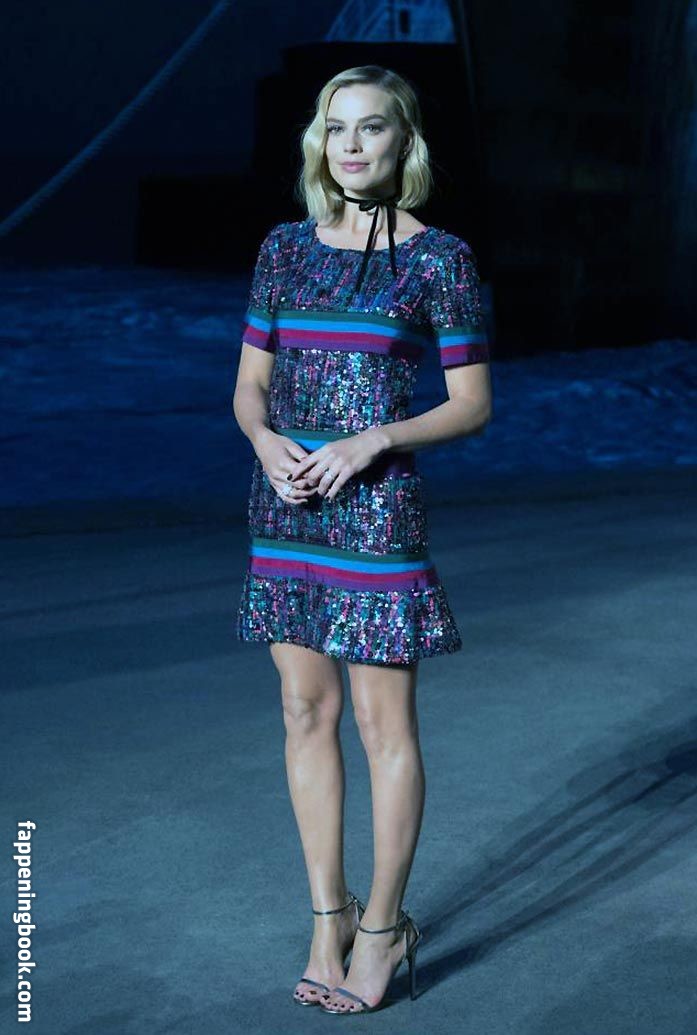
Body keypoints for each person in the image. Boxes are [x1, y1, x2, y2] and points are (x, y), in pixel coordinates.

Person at [232, 64, 493, 1015]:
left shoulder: (440, 260)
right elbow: (249, 387)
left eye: (371, 127)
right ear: (319, 141)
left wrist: (372, 439)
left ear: (403, 142)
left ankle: (383, 926)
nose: (350, 144)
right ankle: (326, 918)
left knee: (384, 727)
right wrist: (265, 444)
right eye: (335, 127)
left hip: (376, 515)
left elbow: (470, 404)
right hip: (285, 509)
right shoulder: (283, 248)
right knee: (304, 710)